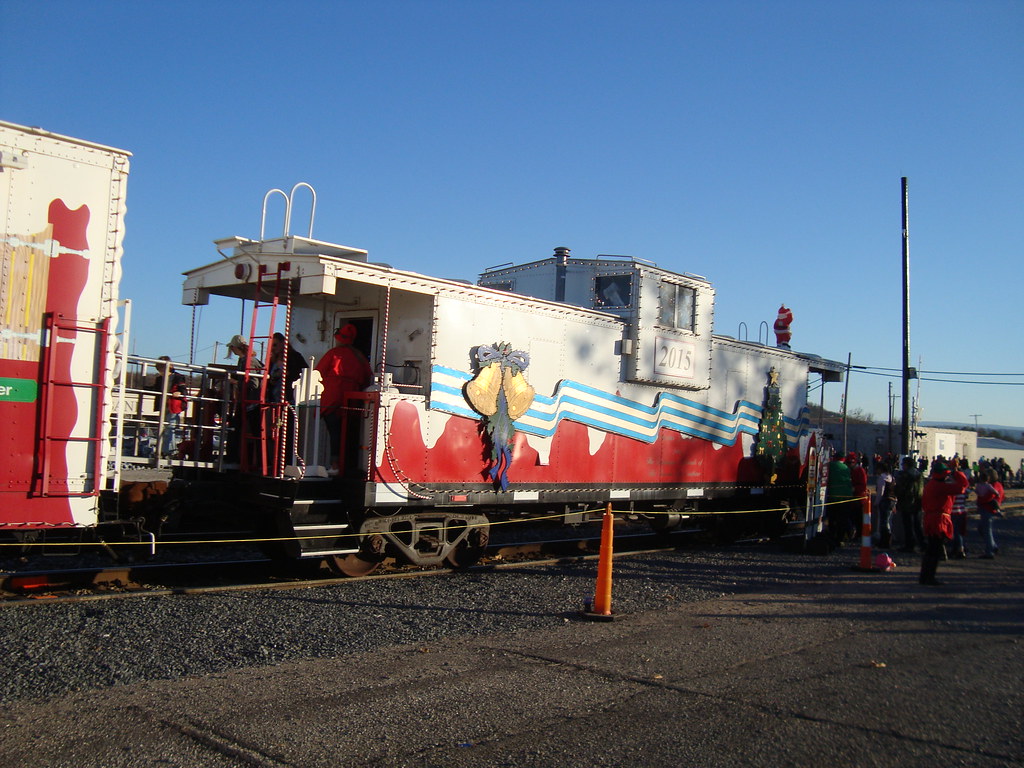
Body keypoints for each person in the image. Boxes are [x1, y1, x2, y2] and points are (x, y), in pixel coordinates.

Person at [315, 324, 372, 473]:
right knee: (348, 434)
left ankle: (335, 465)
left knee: (334, 432)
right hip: (352, 399)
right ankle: (347, 465)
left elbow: (317, 373)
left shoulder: (333, 354)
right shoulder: (360, 357)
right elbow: (368, 378)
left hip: (332, 398)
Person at [918, 462, 969, 586]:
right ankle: (929, 577)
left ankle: (925, 576)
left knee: (931, 549)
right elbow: (963, 486)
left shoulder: (931, 484)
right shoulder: (940, 486)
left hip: (931, 519)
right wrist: (955, 471)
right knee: (935, 550)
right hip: (939, 520)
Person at [224, 334, 263, 465]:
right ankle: (239, 457)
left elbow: (254, 383)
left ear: (235, 347)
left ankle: (239, 458)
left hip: (251, 403)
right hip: (247, 402)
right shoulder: (246, 360)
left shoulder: (248, 361)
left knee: (240, 428)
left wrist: (236, 382)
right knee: (239, 428)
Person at [153, 356, 187, 457]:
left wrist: (179, 392)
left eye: (163, 369)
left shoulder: (178, 377)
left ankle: (169, 450)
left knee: (170, 427)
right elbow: (155, 389)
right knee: (164, 428)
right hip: (164, 405)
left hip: (173, 405)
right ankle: (166, 450)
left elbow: (183, 389)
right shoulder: (159, 379)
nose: (162, 372)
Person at [894, 456, 924, 552]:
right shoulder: (919, 475)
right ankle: (922, 544)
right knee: (917, 525)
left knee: (908, 525)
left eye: (903, 464)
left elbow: (903, 490)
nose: (902, 466)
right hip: (918, 502)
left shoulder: (906, 476)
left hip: (907, 503)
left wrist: (896, 489)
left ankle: (909, 545)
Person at [826, 451, 854, 546]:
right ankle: (840, 539)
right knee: (842, 520)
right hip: (846, 497)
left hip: (833, 497)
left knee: (832, 519)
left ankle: (832, 538)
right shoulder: (846, 468)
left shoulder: (831, 466)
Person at [975, 467, 1004, 559]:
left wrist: (979, 500)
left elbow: (988, 497)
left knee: (986, 530)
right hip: (990, 509)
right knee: (983, 529)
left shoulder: (992, 486)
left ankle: (989, 551)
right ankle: (993, 546)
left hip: (987, 509)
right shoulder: (998, 485)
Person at [949, 459, 971, 558]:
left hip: (954, 511)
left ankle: (960, 549)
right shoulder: (964, 488)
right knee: (959, 531)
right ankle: (960, 547)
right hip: (962, 510)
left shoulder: (954, 487)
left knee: (956, 532)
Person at [873, 461, 896, 548]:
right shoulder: (891, 477)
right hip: (892, 500)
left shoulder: (881, 478)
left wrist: (876, 503)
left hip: (885, 501)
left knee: (884, 522)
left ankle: (884, 541)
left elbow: (880, 492)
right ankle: (888, 541)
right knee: (889, 521)